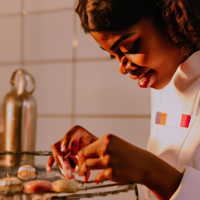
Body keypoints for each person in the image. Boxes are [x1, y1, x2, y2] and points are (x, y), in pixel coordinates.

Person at [46, 0, 200, 199]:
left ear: (167, 19)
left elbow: (161, 176)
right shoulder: (165, 81)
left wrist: (147, 169)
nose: (123, 67)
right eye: (114, 55)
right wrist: (112, 159)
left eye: (128, 46)